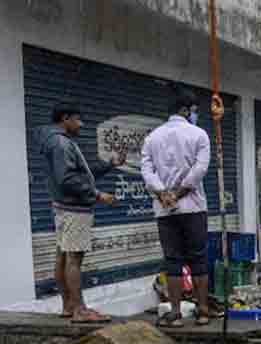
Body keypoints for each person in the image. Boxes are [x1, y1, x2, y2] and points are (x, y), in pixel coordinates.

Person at [36, 104, 122, 323]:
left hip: (63, 207)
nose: (81, 124)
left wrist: (109, 165)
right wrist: (98, 195)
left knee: (64, 256)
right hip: (74, 209)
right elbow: (68, 180)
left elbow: (79, 173)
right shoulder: (61, 144)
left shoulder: (54, 141)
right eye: (78, 119)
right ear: (65, 119)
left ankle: (68, 306)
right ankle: (80, 310)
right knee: (74, 258)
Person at [141, 88, 216, 327]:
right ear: (186, 110)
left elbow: (146, 170)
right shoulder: (199, 135)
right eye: (194, 110)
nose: (196, 115)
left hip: (165, 210)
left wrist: (163, 194)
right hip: (193, 207)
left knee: (171, 259)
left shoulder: (152, 137)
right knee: (199, 258)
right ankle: (203, 310)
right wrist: (179, 193)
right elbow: (200, 169)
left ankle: (175, 313)